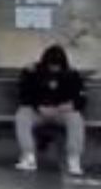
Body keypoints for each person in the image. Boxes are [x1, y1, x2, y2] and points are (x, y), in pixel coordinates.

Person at [14, 44, 87, 175]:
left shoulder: (71, 73)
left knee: (76, 118)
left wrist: (71, 105)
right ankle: (28, 156)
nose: (54, 69)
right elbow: (24, 94)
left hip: (62, 112)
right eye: (51, 65)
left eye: (57, 66)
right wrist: (38, 106)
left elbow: (81, 98)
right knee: (22, 115)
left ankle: (74, 160)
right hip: (39, 111)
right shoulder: (33, 71)